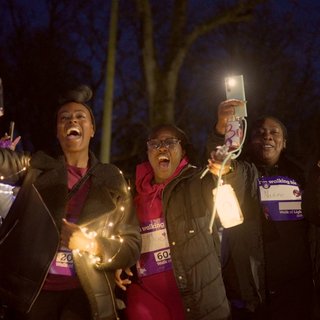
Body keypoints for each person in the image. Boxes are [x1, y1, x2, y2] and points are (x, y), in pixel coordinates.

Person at [0, 85, 141, 320]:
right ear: (57, 131)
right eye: (64, 118)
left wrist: (91, 245)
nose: (71, 121)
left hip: (85, 298)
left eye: (79, 117)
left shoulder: (112, 178)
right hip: (32, 297)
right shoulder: (36, 166)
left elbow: (132, 246)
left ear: (92, 129)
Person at [115, 123, 260, 320]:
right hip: (147, 296)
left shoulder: (198, 182)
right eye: (155, 144)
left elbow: (234, 183)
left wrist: (226, 168)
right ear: (148, 152)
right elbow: (123, 237)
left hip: (197, 297)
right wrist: (120, 258)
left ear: (183, 150)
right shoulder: (132, 194)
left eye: (170, 142)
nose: (162, 148)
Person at [207, 99, 314, 320]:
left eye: (274, 132)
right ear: (249, 140)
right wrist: (221, 134)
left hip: (296, 293)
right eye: (260, 133)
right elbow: (226, 166)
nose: (267, 136)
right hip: (249, 298)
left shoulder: (302, 177)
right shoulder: (244, 172)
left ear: (284, 142)